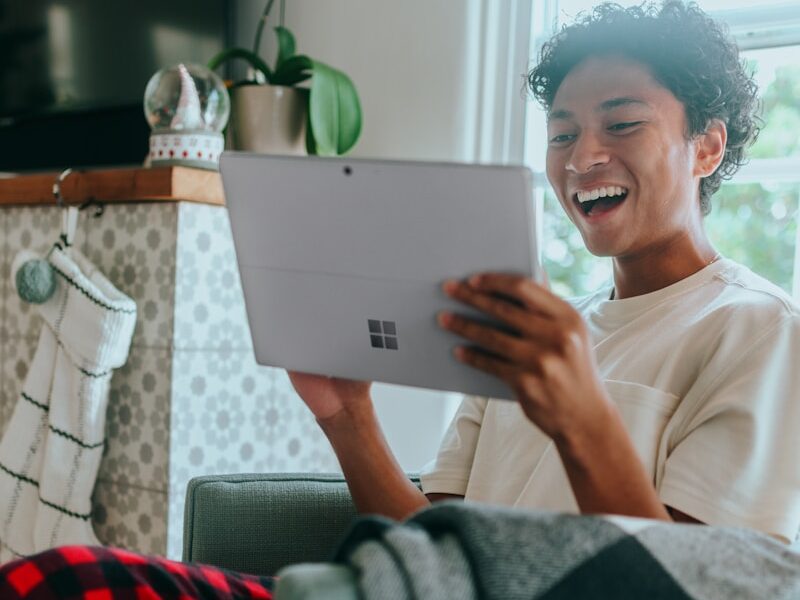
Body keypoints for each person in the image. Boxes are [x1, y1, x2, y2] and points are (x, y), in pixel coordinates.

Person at [2, 1, 798, 598]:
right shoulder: (533, 332)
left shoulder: (758, 333)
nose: (584, 155)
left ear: (709, 144)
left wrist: (581, 415)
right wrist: (347, 416)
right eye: (560, 134)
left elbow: (690, 588)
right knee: (54, 576)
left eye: (621, 124)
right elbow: (434, 541)